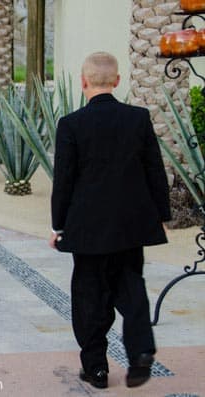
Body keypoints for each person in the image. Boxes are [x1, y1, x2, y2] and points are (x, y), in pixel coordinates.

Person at [49, 52, 171, 389]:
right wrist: (161, 216)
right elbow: (154, 172)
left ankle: (96, 368)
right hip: (131, 227)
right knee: (131, 289)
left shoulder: (71, 124)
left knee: (89, 296)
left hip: (87, 229)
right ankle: (141, 352)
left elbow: (64, 182)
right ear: (117, 81)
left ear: (83, 81)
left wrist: (59, 226)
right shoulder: (138, 118)